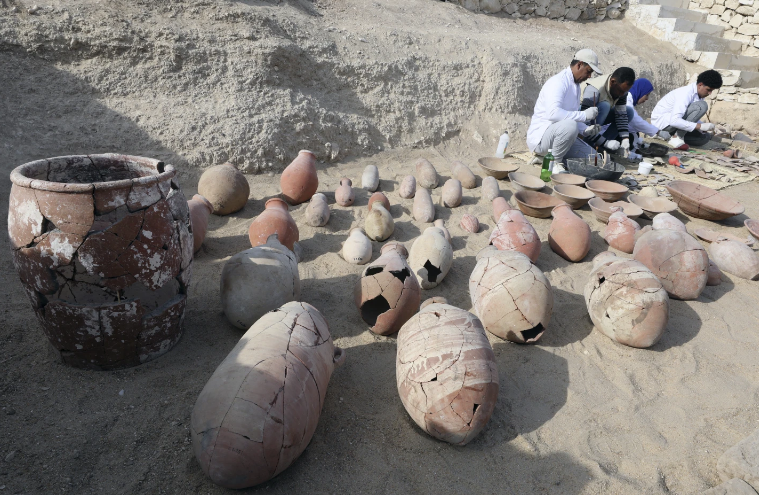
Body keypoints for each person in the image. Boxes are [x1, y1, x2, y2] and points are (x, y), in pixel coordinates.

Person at [526, 49, 602, 170]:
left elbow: (568, 115)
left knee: (596, 159)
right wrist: (584, 115)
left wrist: (585, 130)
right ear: (579, 64)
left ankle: (545, 158)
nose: (589, 76)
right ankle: (554, 163)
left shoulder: (575, 86)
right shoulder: (558, 82)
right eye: (588, 71)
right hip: (541, 140)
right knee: (571, 125)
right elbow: (553, 114)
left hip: (560, 137)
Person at [651, 69, 722, 150]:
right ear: (700, 85)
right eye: (709, 90)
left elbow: (690, 117)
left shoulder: (699, 95)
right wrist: (700, 126)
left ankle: (666, 136)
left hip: (675, 126)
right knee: (702, 106)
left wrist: (704, 127)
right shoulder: (685, 93)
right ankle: (677, 137)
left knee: (705, 138)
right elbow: (674, 121)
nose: (710, 93)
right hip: (664, 124)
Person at [579, 67, 637, 156]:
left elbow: (621, 116)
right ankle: (589, 147)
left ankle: (600, 147)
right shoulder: (594, 89)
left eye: (625, 92)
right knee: (604, 106)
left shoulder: (621, 91)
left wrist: (625, 138)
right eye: (621, 91)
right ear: (613, 82)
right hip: (580, 118)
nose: (622, 95)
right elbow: (585, 123)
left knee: (628, 112)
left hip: (597, 117)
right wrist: (605, 142)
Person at [625, 78, 671, 152]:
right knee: (630, 138)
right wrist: (658, 132)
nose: (647, 98)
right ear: (641, 91)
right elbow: (636, 121)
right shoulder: (626, 100)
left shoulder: (629, 99)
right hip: (608, 134)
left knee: (635, 134)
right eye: (646, 95)